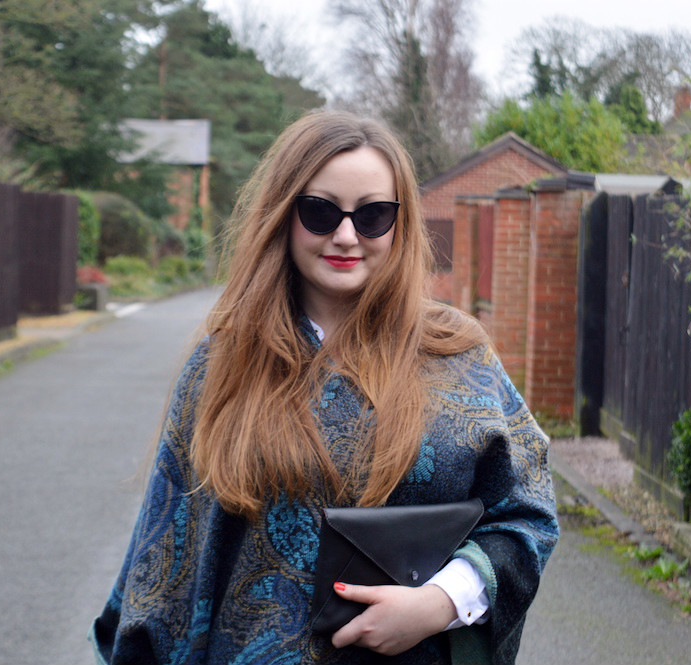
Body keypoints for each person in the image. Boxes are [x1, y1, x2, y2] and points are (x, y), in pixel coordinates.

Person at [90, 110, 559, 665]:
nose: (344, 235)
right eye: (319, 211)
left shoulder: (458, 354)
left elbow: (527, 511)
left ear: (400, 223)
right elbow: (165, 559)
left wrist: (439, 603)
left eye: (373, 215)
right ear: (283, 215)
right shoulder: (223, 361)